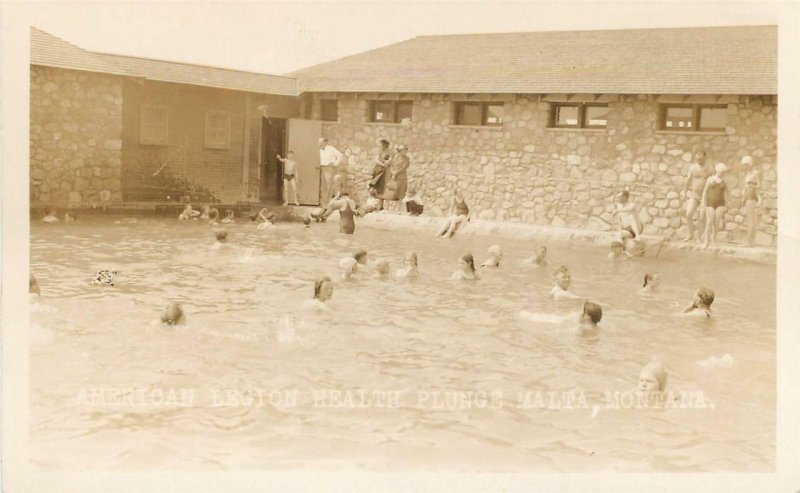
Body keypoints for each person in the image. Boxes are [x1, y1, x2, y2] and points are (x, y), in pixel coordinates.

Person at [700, 163, 730, 249]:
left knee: (716, 223)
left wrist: (728, 204)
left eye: (724, 172)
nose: (723, 174)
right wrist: (703, 202)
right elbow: (705, 191)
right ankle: (706, 241)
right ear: (718, 171)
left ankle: (713, 241)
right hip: (710, 203)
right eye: (722, 172)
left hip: (721, 203)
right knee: (709, 222)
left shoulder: (724, 181)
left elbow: (727, 193)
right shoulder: (710, 179)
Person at [682, 150, 710, 242]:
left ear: (705, 157)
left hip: (705, 196)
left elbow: (713, 181)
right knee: (688, 214)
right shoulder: (692, 167)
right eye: (697, 158)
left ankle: (699, 237)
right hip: (694, 195)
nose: (699, 160)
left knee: (702, 217)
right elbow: (688, 179)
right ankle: (691, 235)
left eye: (701, 158)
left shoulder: (710, 167)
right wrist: (684, 191)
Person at [741, 155, 763, 247]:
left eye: (747, 164)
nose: (745, 166)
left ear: (750, 164)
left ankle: (748, 242)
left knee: (751, 220)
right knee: (750, 219)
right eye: (744, 165)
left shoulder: (755, 173)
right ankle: (751, 242)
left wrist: (751, 186)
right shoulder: (747, 174)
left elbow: (759, 185)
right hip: (747, 196)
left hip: (752, 196)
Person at [383, 144, 411, 211]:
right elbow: (391, 165)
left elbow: (404, 168)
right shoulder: (395, 157)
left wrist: (396, 172)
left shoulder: (407, 159)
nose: (402, 152)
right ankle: (386, 208)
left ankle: (398, 209)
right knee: (389, 192)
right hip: (394, 178)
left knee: (400, 194)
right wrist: (392, 172)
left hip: (402, 178)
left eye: (404, 150)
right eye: (401, 150)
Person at [319, 138, 344, 203]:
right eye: (319, 142)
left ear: (325, 142)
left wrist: (335, 164)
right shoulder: (321, 150)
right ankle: (324, 202)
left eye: (321, 142)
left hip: (329, 168)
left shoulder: (331, 149)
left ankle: (329, 201)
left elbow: (340, 155)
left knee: (329, 185)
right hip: (323, 168)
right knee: (324, 186)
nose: (320, 143)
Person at [369, 139, 392, 210]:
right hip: (378, 171)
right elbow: (376, 160)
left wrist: (381, 161)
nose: (381, 146)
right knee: (378, 187)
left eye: (382, 145)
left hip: (385, 172)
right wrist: (382, 162)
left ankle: (385, 206)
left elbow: (388, 163)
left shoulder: (390, 152)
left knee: (384, 188)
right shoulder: (380, 152)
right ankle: (380, 205)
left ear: (386, 145)